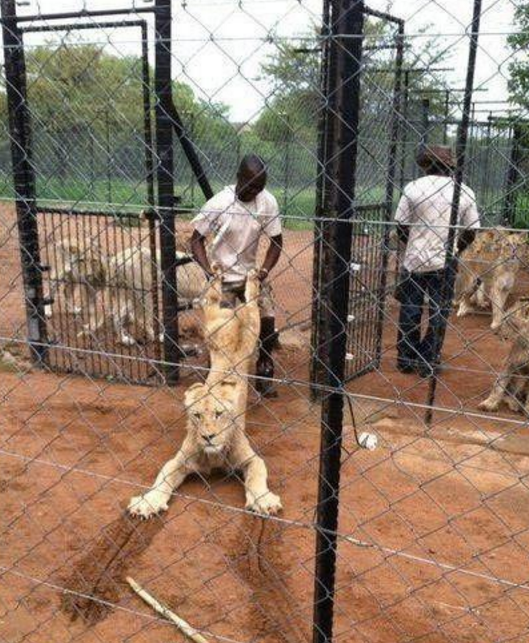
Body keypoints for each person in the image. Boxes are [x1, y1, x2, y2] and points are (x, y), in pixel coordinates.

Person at [190, 154, 283, 397]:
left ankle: (264, 370)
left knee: (268, 324)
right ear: (238, 177)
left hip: (252, 275)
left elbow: (277, 242)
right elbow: (196, 240)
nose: (254, 191)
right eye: (250, 185)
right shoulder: (219, 203)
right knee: (222, 330)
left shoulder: (267, 202)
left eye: (259, 187)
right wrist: (209, 271)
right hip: (223, 276)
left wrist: (263, 272)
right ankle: (216, 374)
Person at [395, 145, 480, 377]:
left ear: (426, 165)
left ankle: (406, 357)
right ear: (449, 166)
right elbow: (471, 231)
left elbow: (400, 225)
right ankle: (427, 360)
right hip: (445, 259)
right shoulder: (464, 191)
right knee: (438, 311)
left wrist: (412, 244)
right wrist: (455, 249)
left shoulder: (413, 188)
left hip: (414, 259)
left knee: (411, 308)